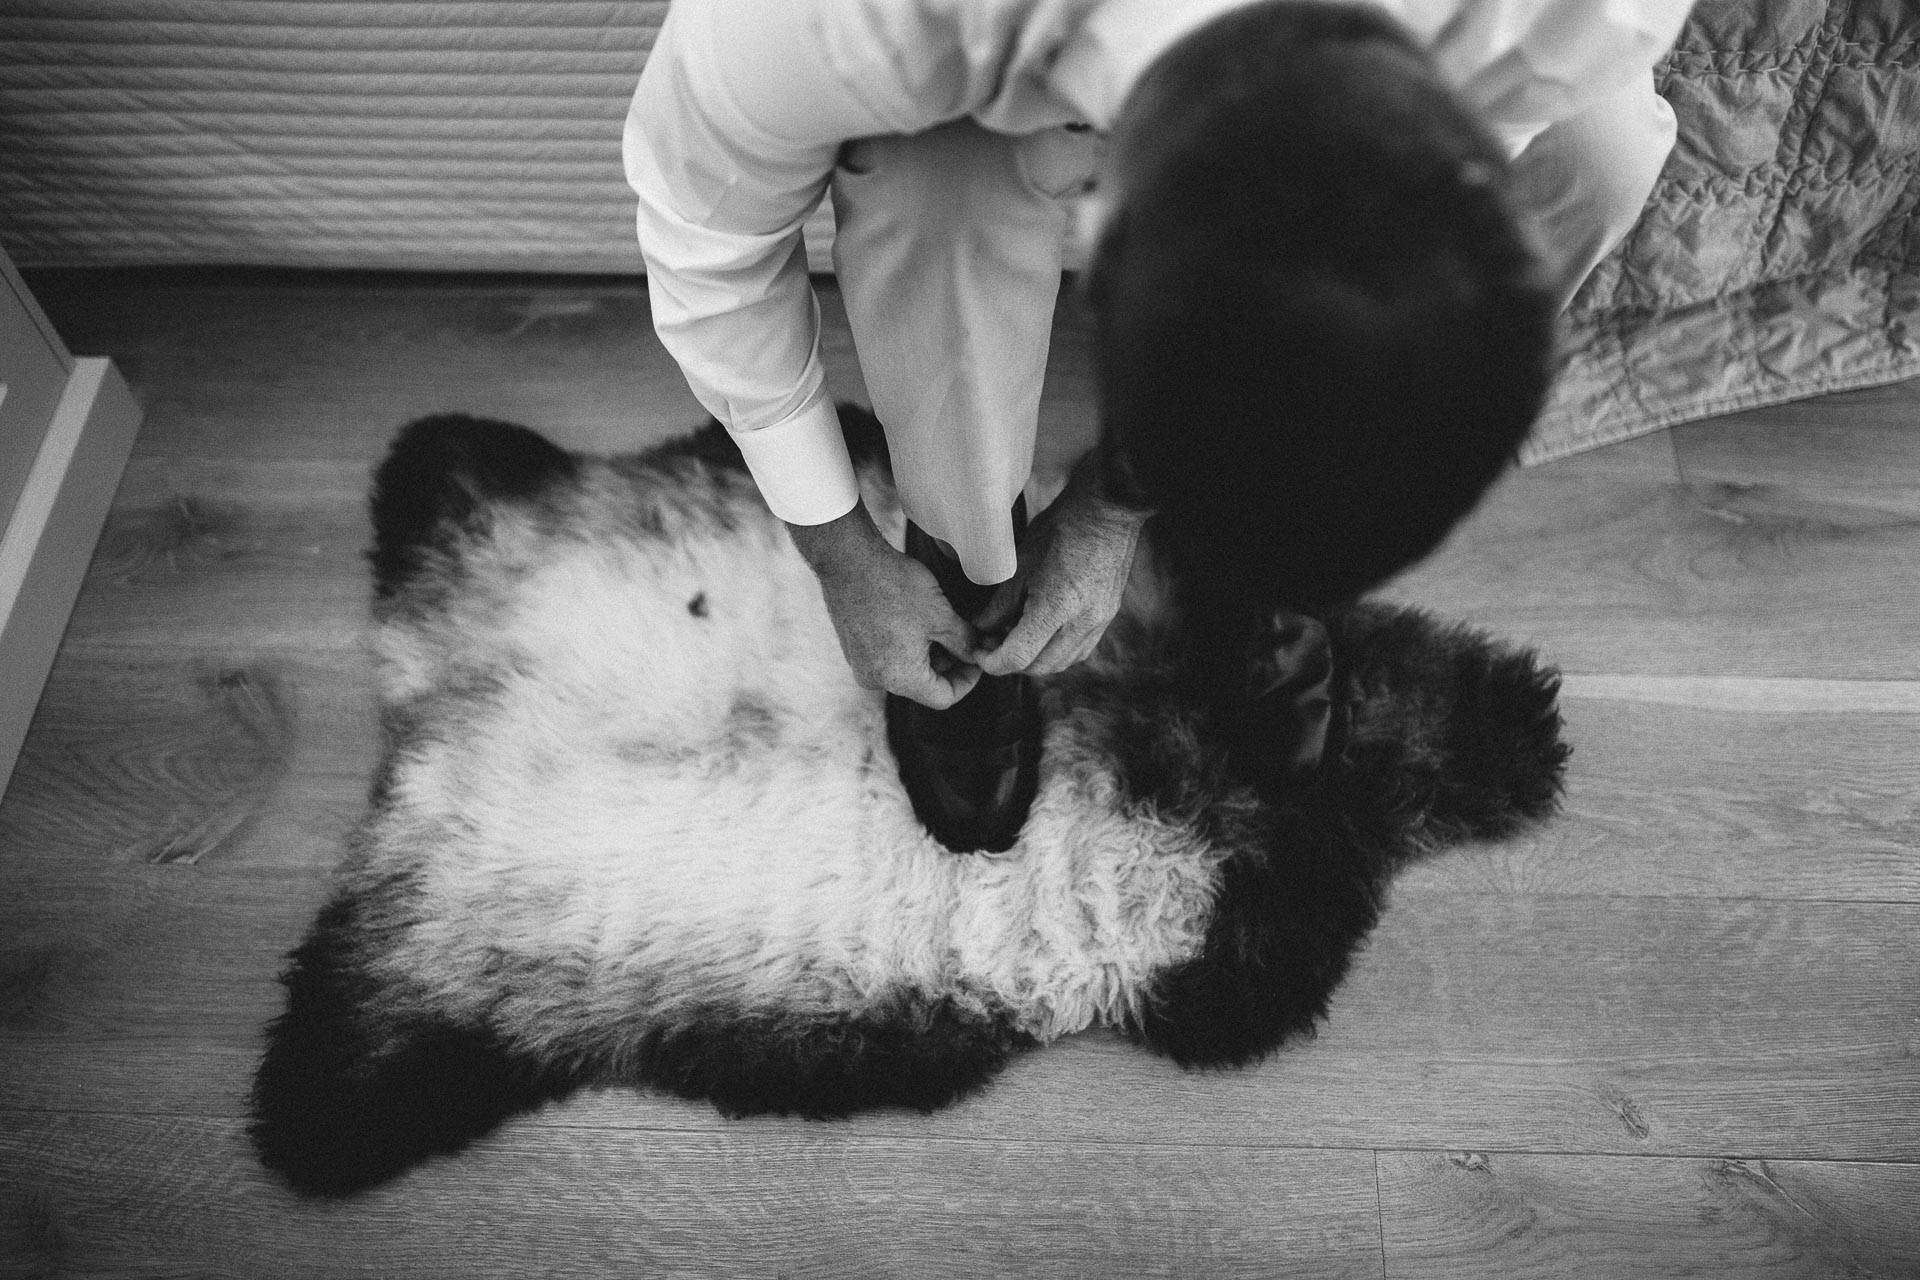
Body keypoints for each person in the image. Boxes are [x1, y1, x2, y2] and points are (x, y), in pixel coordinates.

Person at [624, 0, 1691, 850]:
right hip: (970, 57)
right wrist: (835, 545)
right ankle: (965, 576)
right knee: (936, 188)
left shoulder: (1572, 14)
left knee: (1606, 150)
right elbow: (705, 243)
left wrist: (1110, 504)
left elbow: (1433, 195)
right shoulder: (830, 21)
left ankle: (1268, 551)